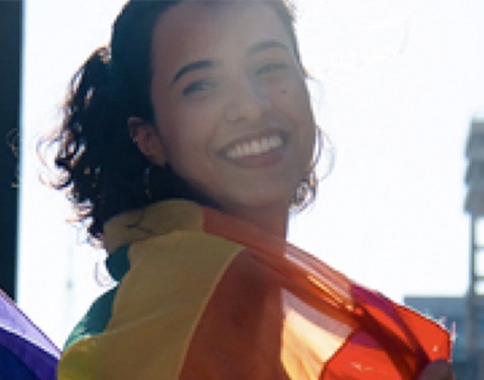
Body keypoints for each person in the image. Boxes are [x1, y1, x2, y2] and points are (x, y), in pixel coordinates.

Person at [48, 0, 454, 379]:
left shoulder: (237, 291)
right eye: (201, 86)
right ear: (148, 136)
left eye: (269, 67)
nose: (252, 106)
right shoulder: (189, 301)